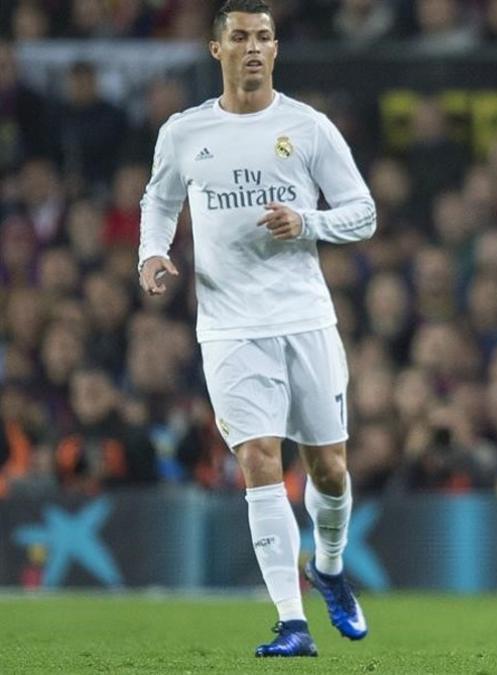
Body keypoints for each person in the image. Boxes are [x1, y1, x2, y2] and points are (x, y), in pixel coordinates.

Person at [137, 0, 375, 658]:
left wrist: (310, 222)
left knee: (328, 468)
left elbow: (364, 212)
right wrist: (151, 254)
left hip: (305, 318)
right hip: (229, 326)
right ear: (216, 49)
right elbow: (157, 200)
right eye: (239, 36)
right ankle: (292, 622)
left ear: (275, 49)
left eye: (263, 37)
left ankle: (328, 566)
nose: (252, 47)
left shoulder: (309, 127)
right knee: (259, 461)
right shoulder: (184, 131)